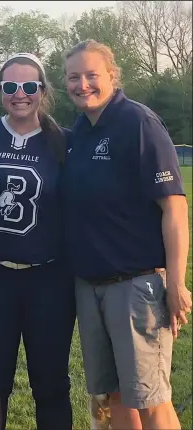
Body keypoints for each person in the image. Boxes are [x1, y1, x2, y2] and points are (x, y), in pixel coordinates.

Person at [61, 39, 192, 430]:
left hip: (136, 286)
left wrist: (177, 282)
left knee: (150, 399)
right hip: (90, 286)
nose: (82, 84)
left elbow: (174, 207)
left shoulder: (138, 122)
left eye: (91, 75)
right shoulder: (81, 130)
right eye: (73, 77)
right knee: (112, 396)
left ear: (112, 76)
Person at [0, 53, 76, 430]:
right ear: (0, 91)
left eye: (29, 86)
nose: (20, 94)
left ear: (42, 90)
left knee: (51, 384)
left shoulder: (64, 141)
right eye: (10, 87)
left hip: (49, 278)